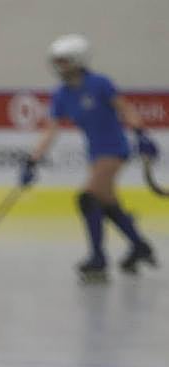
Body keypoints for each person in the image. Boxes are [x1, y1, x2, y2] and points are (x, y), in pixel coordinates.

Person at [20, 34, 159, 281]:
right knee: (107, 204)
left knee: (88, 197)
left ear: (78, 60)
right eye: (57, 61)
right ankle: (139, 246)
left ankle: (98, 259)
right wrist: (33, 160)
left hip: (115, 149)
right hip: (96, 154)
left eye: (64, 61)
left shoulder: (100, 84)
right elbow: (51, 130)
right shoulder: (62, 94)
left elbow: (124, 108)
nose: (59, 66)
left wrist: (141, 134)